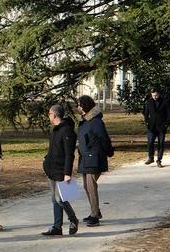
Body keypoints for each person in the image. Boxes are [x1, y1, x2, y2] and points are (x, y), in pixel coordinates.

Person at [76, 95, 114, 227]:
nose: (78, 107)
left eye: (79, 105)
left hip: (95, 158)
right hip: (86, 158)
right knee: (87, 186)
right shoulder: (85, 121)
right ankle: (95, 211)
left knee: (91, 187)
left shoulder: (96, 122)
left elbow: (104, 138)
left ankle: (94, 216)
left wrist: (109, 151)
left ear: (85, 106)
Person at [42, 104, 79, 236]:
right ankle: (57, 226)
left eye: (49, 114)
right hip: (51, 169)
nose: (49, 116)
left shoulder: (67, 131)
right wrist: (46, 160)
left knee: (60, 199)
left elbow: (70, 154)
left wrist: (67, 173)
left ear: (55, 115)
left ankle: (73, 219)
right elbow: (52, 149)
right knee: (54, 199)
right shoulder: (54, 130)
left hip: (61, 170)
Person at [143, 88, 170, 168]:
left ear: (159, 94)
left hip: (162, 127)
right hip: (151, 127)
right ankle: (151, 158)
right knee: (150, 143)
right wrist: (147, 122)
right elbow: (146, 114)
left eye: (156, 95)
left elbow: (169, 114)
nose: (154, 97)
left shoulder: (165, 102)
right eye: (153, 95)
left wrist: (166, 124)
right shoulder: (149, 102)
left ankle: (159, 160)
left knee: (161, 144)